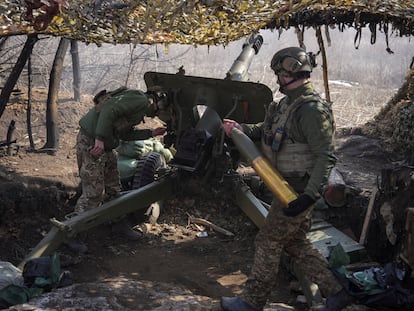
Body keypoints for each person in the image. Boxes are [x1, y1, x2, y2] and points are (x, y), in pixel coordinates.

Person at [220, 47, 351, 311]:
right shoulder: (285, 104)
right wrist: (241, 129)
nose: (277, 77)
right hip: (284, 187)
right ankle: (336, 292)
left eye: (279, 72)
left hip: (297, 192)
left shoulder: (312, 110)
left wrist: (308, 196)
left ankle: (252, 302)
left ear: (290, 71)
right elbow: (266, 131)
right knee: (295, 243)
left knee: (268, 240)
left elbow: (326, 157)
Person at [66, 86, 167, 252]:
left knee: (114, 188)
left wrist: (151, 133)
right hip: (93, 143)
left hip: (106, 145)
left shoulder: (137, 107)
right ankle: (71, 233)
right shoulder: (141, 100)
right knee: (94, 193)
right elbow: (109, 108)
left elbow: (124, 134)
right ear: (157, 101)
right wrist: (99, 139)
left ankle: (118, 224)